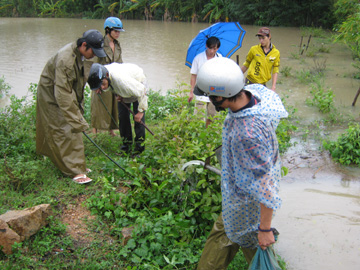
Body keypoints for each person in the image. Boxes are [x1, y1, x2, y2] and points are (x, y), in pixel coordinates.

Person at [193, 57, 288, 268]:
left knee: (259, 254)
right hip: (234, 200)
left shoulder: (247, 135)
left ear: (221, 96)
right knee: (221, 241)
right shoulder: (254, 94)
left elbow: (265, 186)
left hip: (248, 209)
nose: (209, 100)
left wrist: (264, 229)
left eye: (210, 96)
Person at [36, 30, 106, 184]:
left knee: (72, 124)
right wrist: (77, 120)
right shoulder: (65, 60)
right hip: (51, 93)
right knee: (62, 128)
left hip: (65, 90)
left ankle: (76, 164)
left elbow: (79, 80)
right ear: (83, 45)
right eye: (92, 52)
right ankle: (74, 170)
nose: (93, 55)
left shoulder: (81, 55)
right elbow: (63, 94)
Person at [87, 62, 148, 154]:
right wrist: (117, 93)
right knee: (122, 117)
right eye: (100, 86)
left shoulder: (122, 81)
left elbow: (141, 90)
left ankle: (139, 149)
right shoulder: (100, 74)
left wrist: (140, 112)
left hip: (138, 83)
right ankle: (126, 146)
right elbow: (110, 85)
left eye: (103, 84)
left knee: (138, 120)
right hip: (124, 83)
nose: (102, 87)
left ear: (107, 76)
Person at [90, 17, 125, 136]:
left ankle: (111, 130)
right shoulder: (100, 44)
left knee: (113, 105)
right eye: (115, 31)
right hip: (100, 78)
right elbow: (94, 64)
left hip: (113, 79)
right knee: (98, 104)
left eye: (119, 31)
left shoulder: (117, 45)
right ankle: (95, 131)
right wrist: (96, 84)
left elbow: (120, 63)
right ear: (108, 30)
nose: (118, 33)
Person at [189, 36, 222, 127]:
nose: (212, 51)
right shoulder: (198, 58)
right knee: (198, 117)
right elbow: (193, 75)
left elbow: (222, 75)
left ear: (218, 48)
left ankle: (209, 137)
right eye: (210, 48)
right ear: (206, 46)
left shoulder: (220, 58)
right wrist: (191, 92)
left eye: (214, 48)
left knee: (213, 117)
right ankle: (198, 137)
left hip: (214, 91)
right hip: (200, 90)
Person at [241, 27, 280, 91]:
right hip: (250, 82)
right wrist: (237, 75)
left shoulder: (276, 53)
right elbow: (246, 64)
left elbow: (275, 70)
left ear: (269, 37)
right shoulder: (254, 49)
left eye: (263, 38)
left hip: (262, 84)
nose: (261, 41)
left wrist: (273, 86)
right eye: (259, 39)